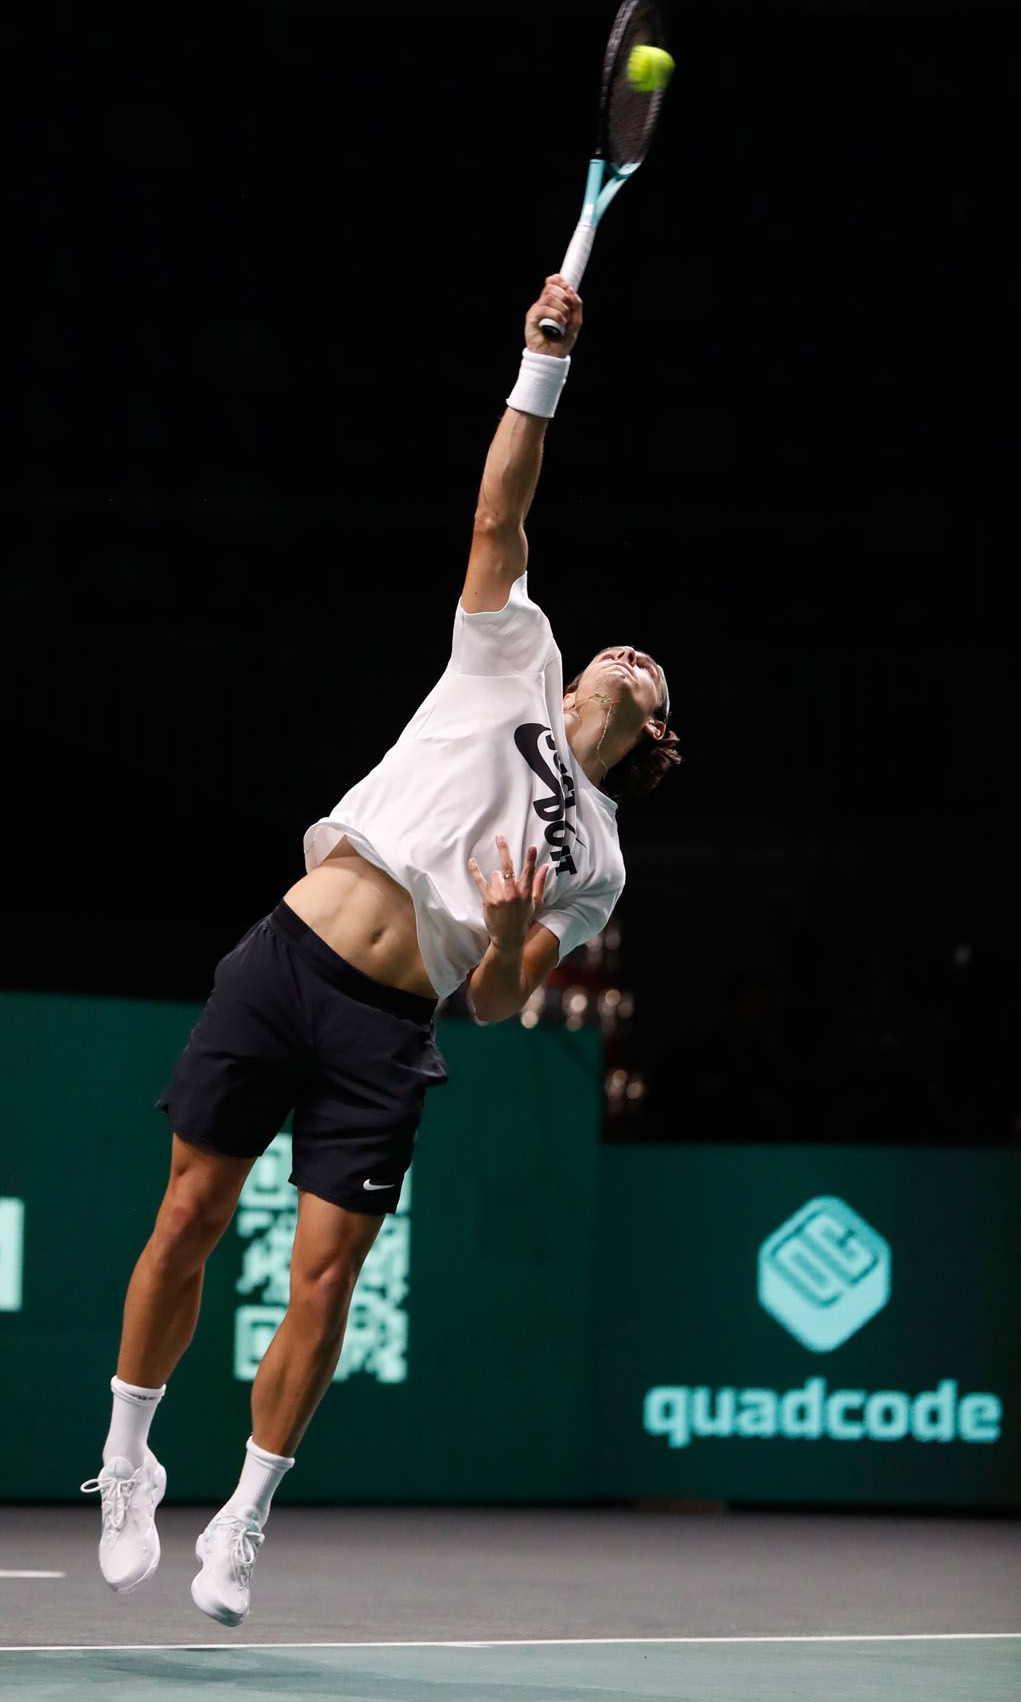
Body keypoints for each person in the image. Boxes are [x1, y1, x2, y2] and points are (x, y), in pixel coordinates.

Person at [80, 274, 680, 1623]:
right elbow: (496, 509)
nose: (633, 659)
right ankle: (125, 1460)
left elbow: (499, 1002)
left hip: (387, 1026)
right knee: (184, 1219)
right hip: (285, 959)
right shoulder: (510, 653)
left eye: (654, 676)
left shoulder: (599, 858)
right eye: (624, 655)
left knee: (325, 1274)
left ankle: (242, 1518)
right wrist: (542, 366)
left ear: (647, 734)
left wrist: (520, 927)